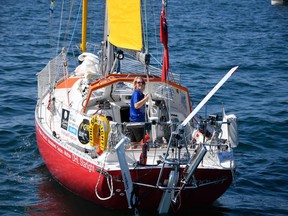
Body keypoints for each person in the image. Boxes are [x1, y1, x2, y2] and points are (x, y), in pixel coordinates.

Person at [129, 76, 149, 143]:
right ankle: (143, 153)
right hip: (137, 121)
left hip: (135, 121)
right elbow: (136, 105)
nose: (140, 84)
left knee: (134, 143)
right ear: (135, 84)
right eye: (138, 82)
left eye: (142, 82)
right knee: (142, 143)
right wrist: (145, 99)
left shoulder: (140, 94)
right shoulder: (136, 93)